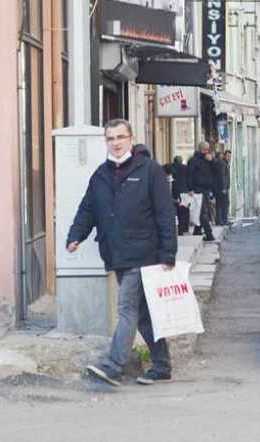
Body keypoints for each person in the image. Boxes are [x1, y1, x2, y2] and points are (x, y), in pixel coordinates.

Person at [66, 119, 177, 387]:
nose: (115, 143)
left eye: (120, 137)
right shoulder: (101, 175)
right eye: (110, 138)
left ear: (130, 138)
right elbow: (88, 210)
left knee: (127, 308)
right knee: (143, 314)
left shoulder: (150, 171)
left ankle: (113, 366)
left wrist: (168, 254)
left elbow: (165, 214)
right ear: (106, 142)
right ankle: (162, 365)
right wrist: (75, 236)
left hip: (143, 252)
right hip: (115, 253)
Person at [187, 141, 215, 241]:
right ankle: (209, 234)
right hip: (198, 189)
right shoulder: (194, 160)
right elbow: (190, 175)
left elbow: (215, 171)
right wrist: (190, 188)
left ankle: (197, 231)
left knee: (202, 211)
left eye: (208, 149)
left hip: (206, 189)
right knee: (202, 212)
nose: (207, 151)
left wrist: (212, 161)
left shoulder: (207, 160)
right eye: (205, 149)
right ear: (201, 149)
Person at [171, 156, 190, 235]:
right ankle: (184, 229)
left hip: (174, 191)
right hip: (184, 191)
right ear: (181, 161)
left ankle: (177, 228)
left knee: (176, 211)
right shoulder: (185, 168)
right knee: (184, 211)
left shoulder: (171, 167)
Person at [213, 150, 230, 226]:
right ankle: (223, 221)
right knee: (224, 205)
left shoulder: (222, 163)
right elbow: (222, 176)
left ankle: (220, 221)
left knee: (220, 205)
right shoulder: (223, 164)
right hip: (222, 188)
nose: (229, 158)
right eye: (227, 156)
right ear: (224, 156)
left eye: (230, 156)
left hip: (220, 188)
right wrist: (224, 187)